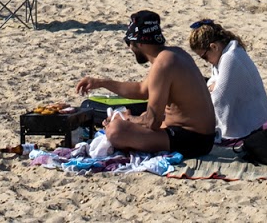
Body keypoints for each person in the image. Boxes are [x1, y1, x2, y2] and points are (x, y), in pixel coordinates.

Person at [75, 11, 218, 159]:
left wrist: (128, 119)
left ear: (140, 43)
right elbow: (141, 90)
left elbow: (152, 122)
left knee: (116, 131)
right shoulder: (174, 53)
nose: (130, 47)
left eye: (129, 43)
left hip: (192, 140)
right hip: (200, 136)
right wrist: (100, 83)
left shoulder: (163, 64)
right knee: (128, 120)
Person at [188, 20, 267, 142]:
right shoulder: (229, 51)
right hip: (254, 118)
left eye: (205, 57)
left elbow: (219, 98)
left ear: (214, 47)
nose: (206, 61)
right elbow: (214, 82)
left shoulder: (230, 57)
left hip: (250, 124)